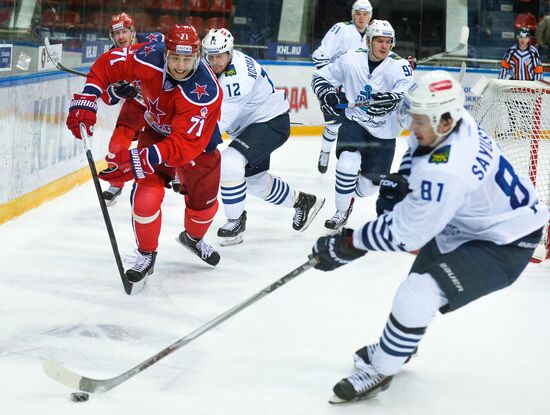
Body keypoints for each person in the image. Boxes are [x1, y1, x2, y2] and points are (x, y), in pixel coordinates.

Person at [310, 70, 549, 403]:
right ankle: (400, 347)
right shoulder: (449, 120)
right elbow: (416, 148)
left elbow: (406, 232)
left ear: (445, 120)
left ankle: (381, 369)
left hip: (507, 242)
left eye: (421, 120)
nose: (414, 125)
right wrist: (406, 178)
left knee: (418, 291)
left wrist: (349, 243)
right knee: (418, 288)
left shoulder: (446, 172)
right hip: (473, 222)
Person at [66, 25, 224, 293]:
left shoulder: (206, 91)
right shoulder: (149, 54)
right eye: (175, 58)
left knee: (203, 206)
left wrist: (141, 158)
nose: (181, 66)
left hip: (197, 146)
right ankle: (146, 253)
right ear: (166, 54)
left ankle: (194, 238)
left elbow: (184, 145)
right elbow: (108, 65)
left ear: (197, 56)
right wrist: (88, 98)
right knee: (145, 198)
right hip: (157, 132)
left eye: (188, 59)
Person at [201, 28, 325, 246]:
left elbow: (218, 125)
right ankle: (303, 201)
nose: (214, 61)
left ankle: (235, 221)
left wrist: (188, 150)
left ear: (230, 51)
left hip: (270, 123)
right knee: (255, 183)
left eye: (219, 55)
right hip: (251, 125)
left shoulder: (236, 78)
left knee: (230, 162)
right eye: (210, 56)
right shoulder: (215, 61)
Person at [312, 19, 413, 233]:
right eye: (379, 41)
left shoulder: (400, 66)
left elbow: (406, 92)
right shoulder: (350, 59)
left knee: (369, 187)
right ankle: (340, 212)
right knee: (346, 164)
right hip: (355, 120)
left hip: (385, 131)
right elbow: (320, 77)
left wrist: (393, 99)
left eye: (388, 41)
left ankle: (347, 196)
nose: (384, 46)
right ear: (368, 41)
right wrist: (326, 93)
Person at [100, 12, 166, 204]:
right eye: (116, 33)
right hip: (137, 105)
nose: (120, 37)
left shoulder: (154, 41)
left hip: (162, 103)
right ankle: (116, 182)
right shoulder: (110, 58)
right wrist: (117, 91)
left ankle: (180, 173)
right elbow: (107, 97)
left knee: (176, 139)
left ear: (132, 31)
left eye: (124, 32)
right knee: (117, 144)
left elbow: (177, 62)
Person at [311, 0, 373, 174]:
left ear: (370, 16)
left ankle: (355, 163)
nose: (361, 18)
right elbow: (320, 56)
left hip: (358, 91)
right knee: (334, 125)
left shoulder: (373, 34)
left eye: (365, 14)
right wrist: (333, 80)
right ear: (353, 14)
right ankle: (325, 150)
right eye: (358, 13)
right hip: (337, 90)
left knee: (360, 126)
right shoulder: (341, 29)